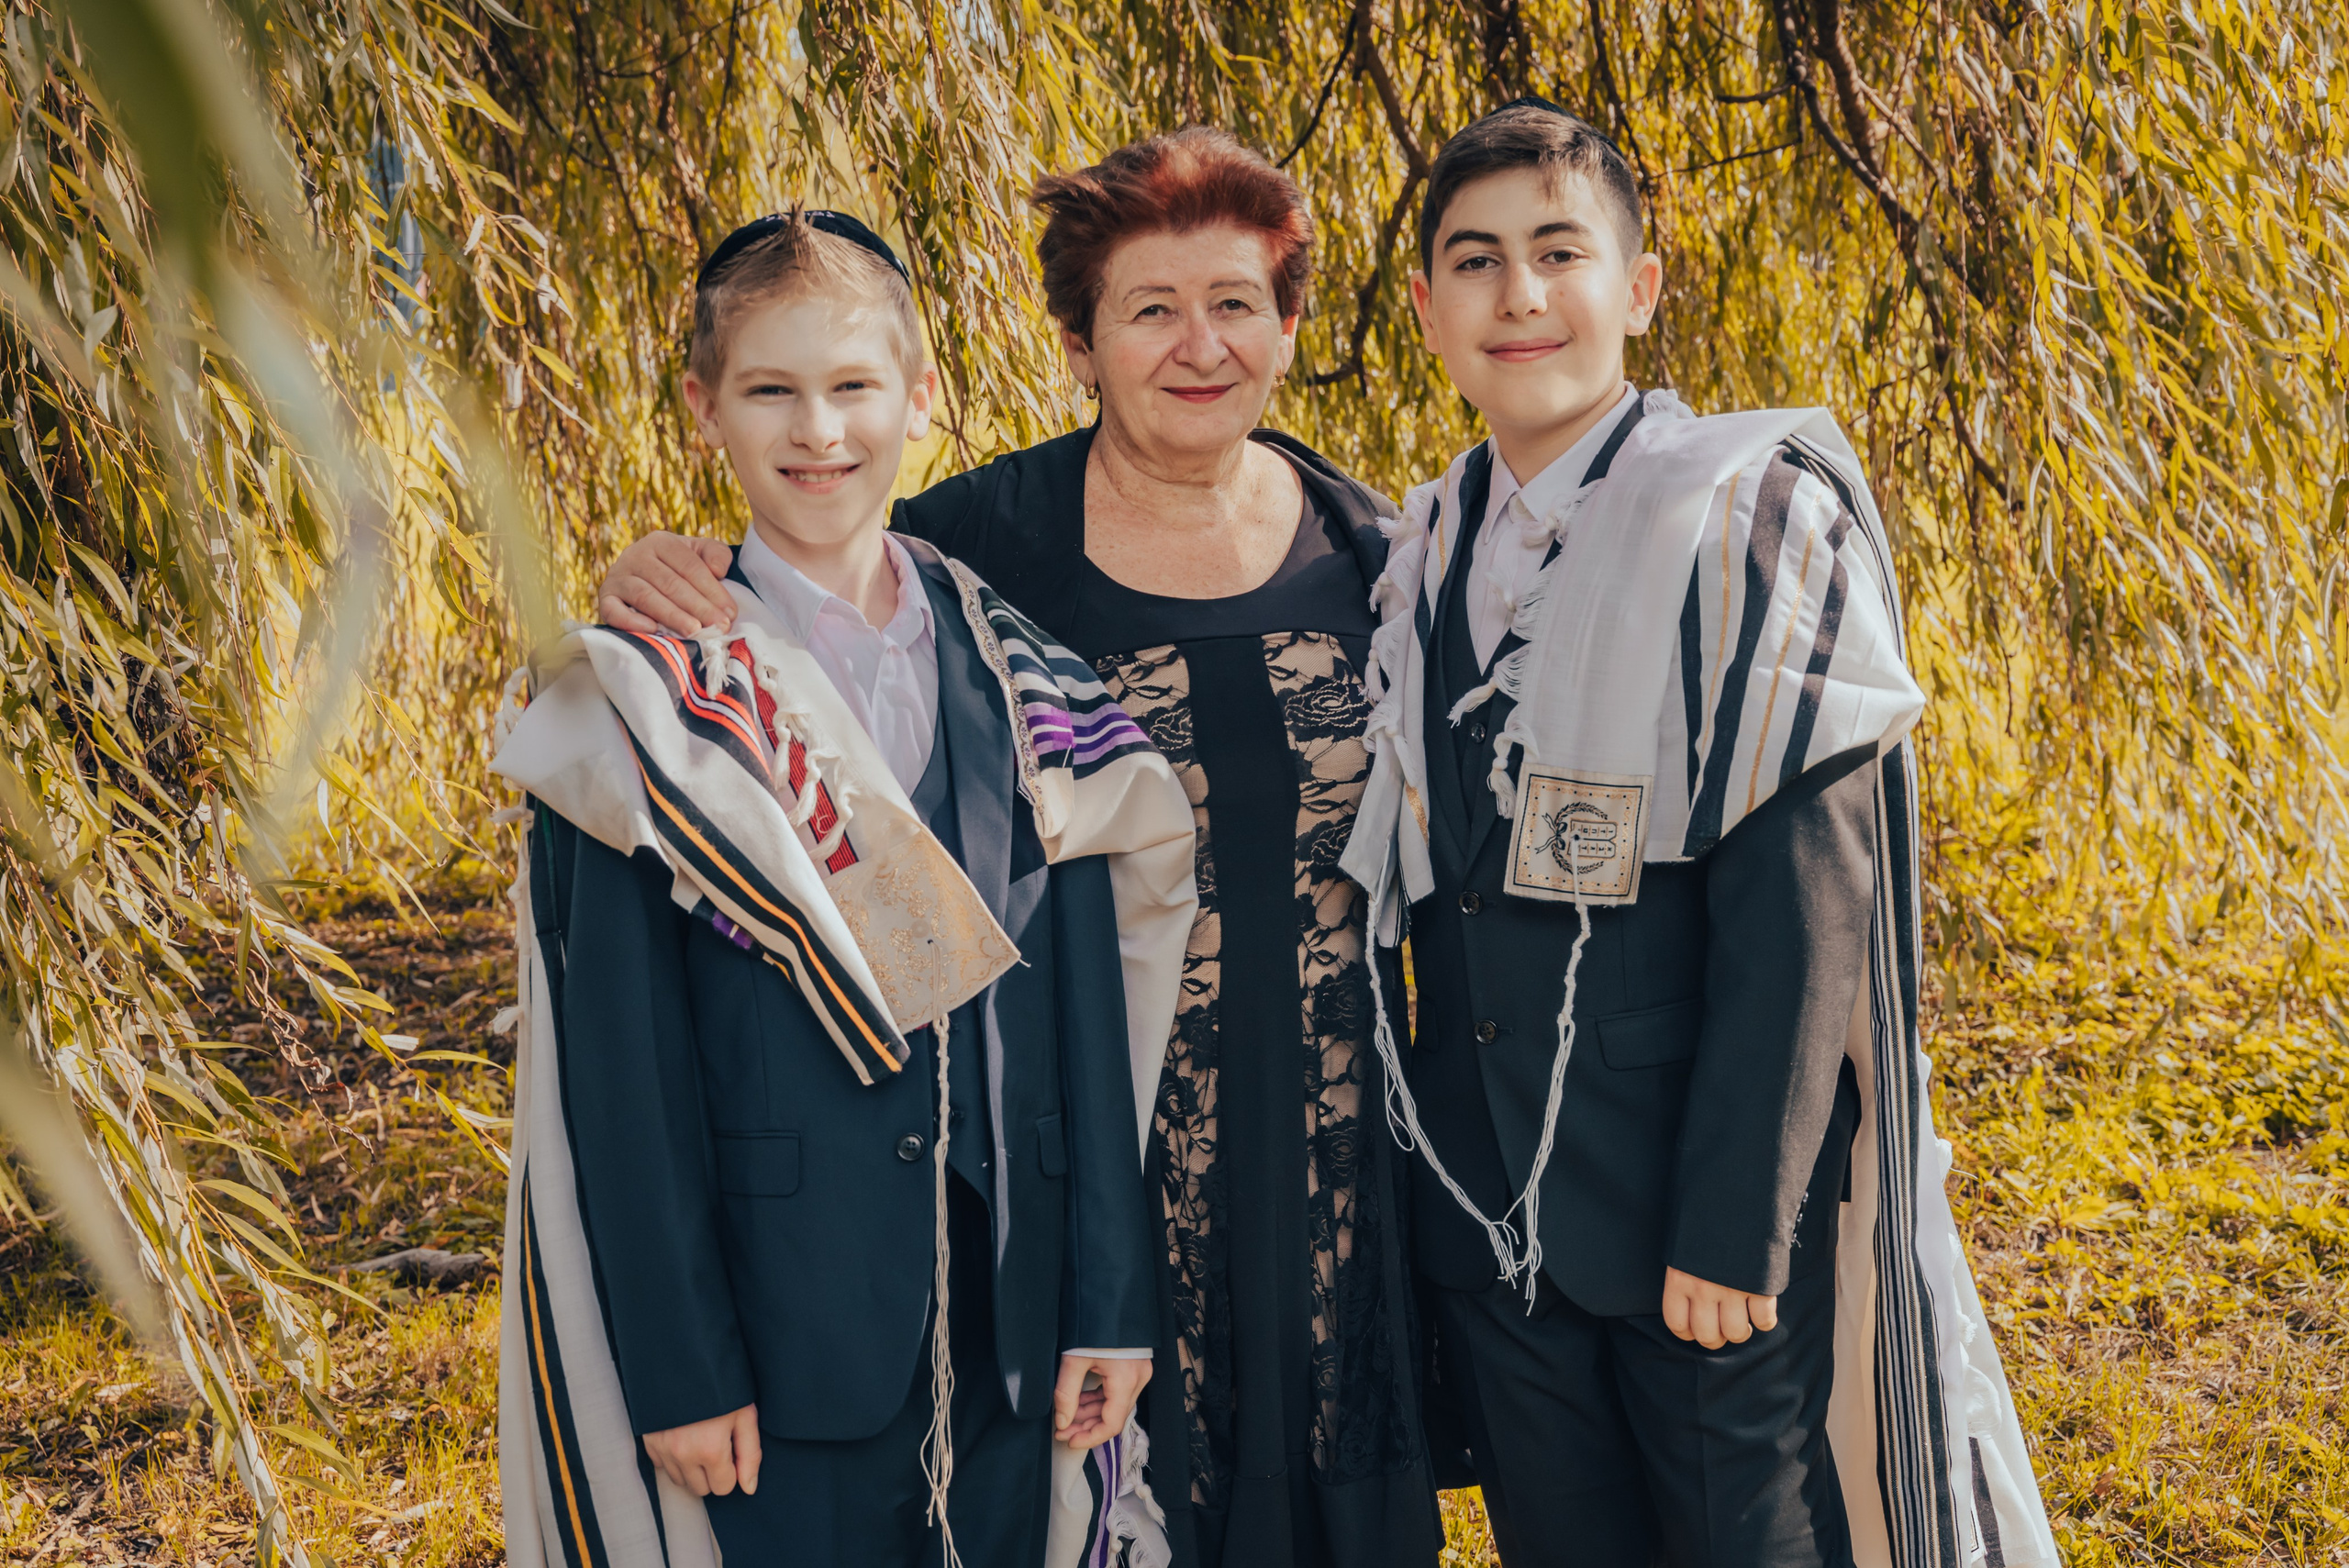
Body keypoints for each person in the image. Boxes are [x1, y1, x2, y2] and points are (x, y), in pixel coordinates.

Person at [596, 130, 1444, 1568]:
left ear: (1291, 325)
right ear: (1079, 340)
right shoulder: (983, 553)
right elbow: (804, 602)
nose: (1199, 344)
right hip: (1098, 1165)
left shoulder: (1377, 550)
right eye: (1149, 309)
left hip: (1329, 1156)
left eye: (1237, 302)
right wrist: (645, 571)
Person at [1336, 100, 2060, 1568]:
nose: (1519, 295)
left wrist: (1738, 1223)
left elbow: (1806, 903)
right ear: (1425, 308)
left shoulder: (1747, 517)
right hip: (1497, 1216)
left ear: (1640, 286)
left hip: (1693, 1215)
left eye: (1559, 251)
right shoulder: (1422, 543)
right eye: (1474, 262)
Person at [490, 209, 1201, 1568]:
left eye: (854, 386)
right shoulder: (641, 701)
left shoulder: (1024, 674)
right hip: (777, 1344)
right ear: (704, 407)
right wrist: (681, 1364)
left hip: (1015, 1332)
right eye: (770, 389)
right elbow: (623, 1074)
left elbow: (1086, 1021)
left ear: (921, 397)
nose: (818, 430)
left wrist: (1108, 1296)